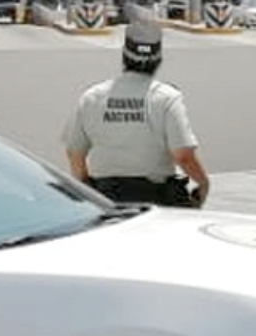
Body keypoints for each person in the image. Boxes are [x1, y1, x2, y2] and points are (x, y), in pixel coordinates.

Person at [62, 17, 211, 207]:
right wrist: (203, 183)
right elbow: (183, 155)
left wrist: (87, 188)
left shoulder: (92, 96)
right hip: (156, 200)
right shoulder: (167, 97)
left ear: (124, 56)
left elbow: (74, 153)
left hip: (107, 198)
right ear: (158, 59)